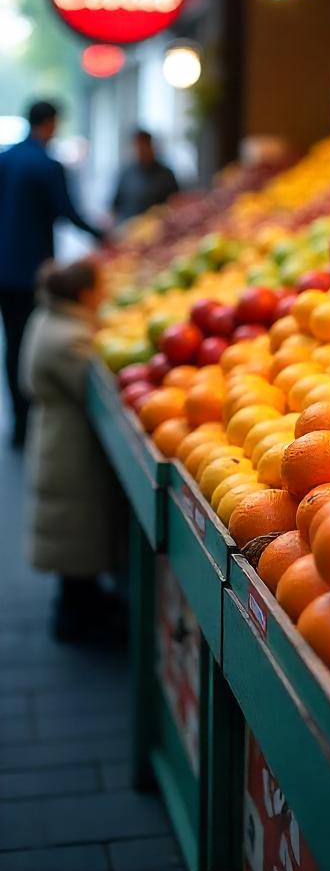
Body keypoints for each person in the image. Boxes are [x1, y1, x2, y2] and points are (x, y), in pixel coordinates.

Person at [21, 258, 125, 642]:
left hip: (57, 436)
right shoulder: (69, 338)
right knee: (76, 530)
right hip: (68, 447)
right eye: (101, 287)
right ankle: (76, 617)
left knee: (73, 530)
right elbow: (93, 386)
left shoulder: (51, 319)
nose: (106, 294)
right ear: (85, 293)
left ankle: (84, 604)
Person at [0, 100, 105, 448]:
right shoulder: (47, 165)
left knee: (12, 342)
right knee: (28, 339)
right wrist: (102, 235)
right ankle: (29, 420)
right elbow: (67, 211)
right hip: (34, 270)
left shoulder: (7, 158)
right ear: (50, 123)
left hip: (3, 267)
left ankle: (18, 422)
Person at [112, 128, 179, 222]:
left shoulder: (166, 174)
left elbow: (176, 203)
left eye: (144, 146)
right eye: (137, 146)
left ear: (151, 146)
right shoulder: (126, 173)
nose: (141, 150)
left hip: (157, 227)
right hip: (128, 227)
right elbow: (115, 205)